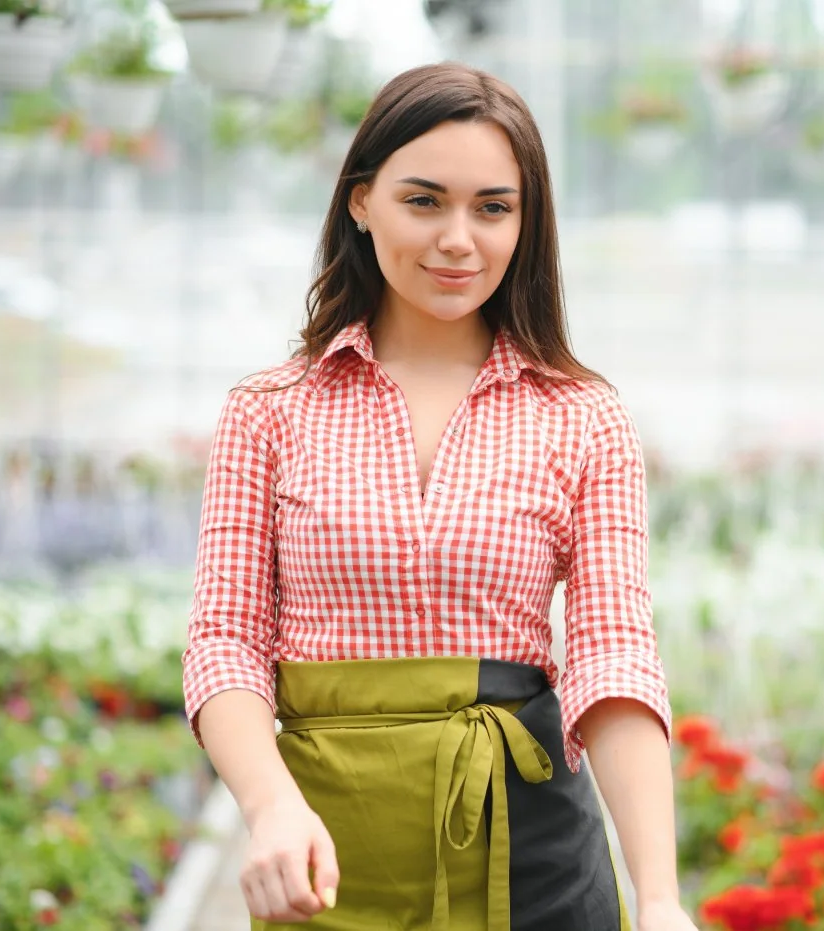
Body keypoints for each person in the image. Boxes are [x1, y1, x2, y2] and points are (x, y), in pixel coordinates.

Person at [181, 61, 698, 931]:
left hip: (532, 860)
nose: (460, 237)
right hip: (326, 859)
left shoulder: (584, 416)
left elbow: (614, 659)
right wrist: (270, 806)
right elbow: (226, 643)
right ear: (360, 201)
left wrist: (660, 898)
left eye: (494, 207)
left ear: (526, 224)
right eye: (424, 200)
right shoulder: (268, 412)